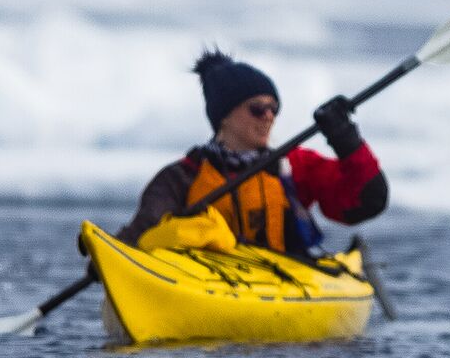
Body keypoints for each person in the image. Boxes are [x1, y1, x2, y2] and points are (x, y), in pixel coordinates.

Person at [118, 51, 388, 256]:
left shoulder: (293, 166)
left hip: (287, 281)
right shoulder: (183, 176)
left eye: (274, 108)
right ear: (224, 116)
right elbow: (138, 237)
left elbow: (368, 201)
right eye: (257, 109)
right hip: (207, 284)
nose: (269, 116)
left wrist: (345, 138)